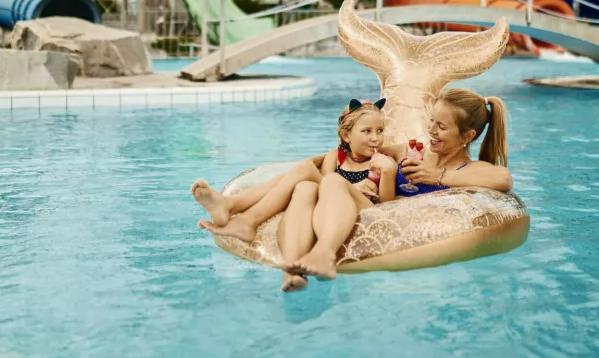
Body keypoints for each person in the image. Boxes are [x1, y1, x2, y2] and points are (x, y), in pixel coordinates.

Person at [281, 88, 513, 287]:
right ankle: (292, 274)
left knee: (331, 182)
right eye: (431, 120)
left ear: (468, 136)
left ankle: (324, 253)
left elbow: (504, 179)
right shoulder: (412, 151)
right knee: (305, 188)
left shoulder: (469, 169)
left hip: (399, 231)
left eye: (441, 126)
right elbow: (355, 151)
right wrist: (322, 161)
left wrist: (438, 176)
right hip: (372, 211)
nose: (431, 130)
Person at [189, 99, 395, 251]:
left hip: (362, 209)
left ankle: (243, 216)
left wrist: (376, 177)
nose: (375, 138)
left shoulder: (381, 161)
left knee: (304, 169)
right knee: (294, 176)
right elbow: (320, 192)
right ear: (346, 135)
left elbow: (388, 205)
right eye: (366, 131)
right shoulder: (335, 158)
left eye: (380, 130)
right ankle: (231, 205)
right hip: (333, 204)